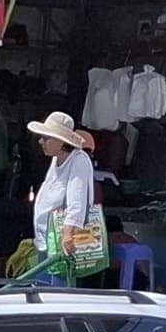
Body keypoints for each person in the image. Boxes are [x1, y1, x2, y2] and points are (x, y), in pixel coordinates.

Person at [28, 111, 106, 284]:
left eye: (46, 138)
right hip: (47, 242)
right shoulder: (56, 160)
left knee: (56, 292)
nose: (41, 141)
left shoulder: (79, 160)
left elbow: (77, 201)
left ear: (61, 141)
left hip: (60, 244)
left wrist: (68, 234)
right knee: (42, 289)